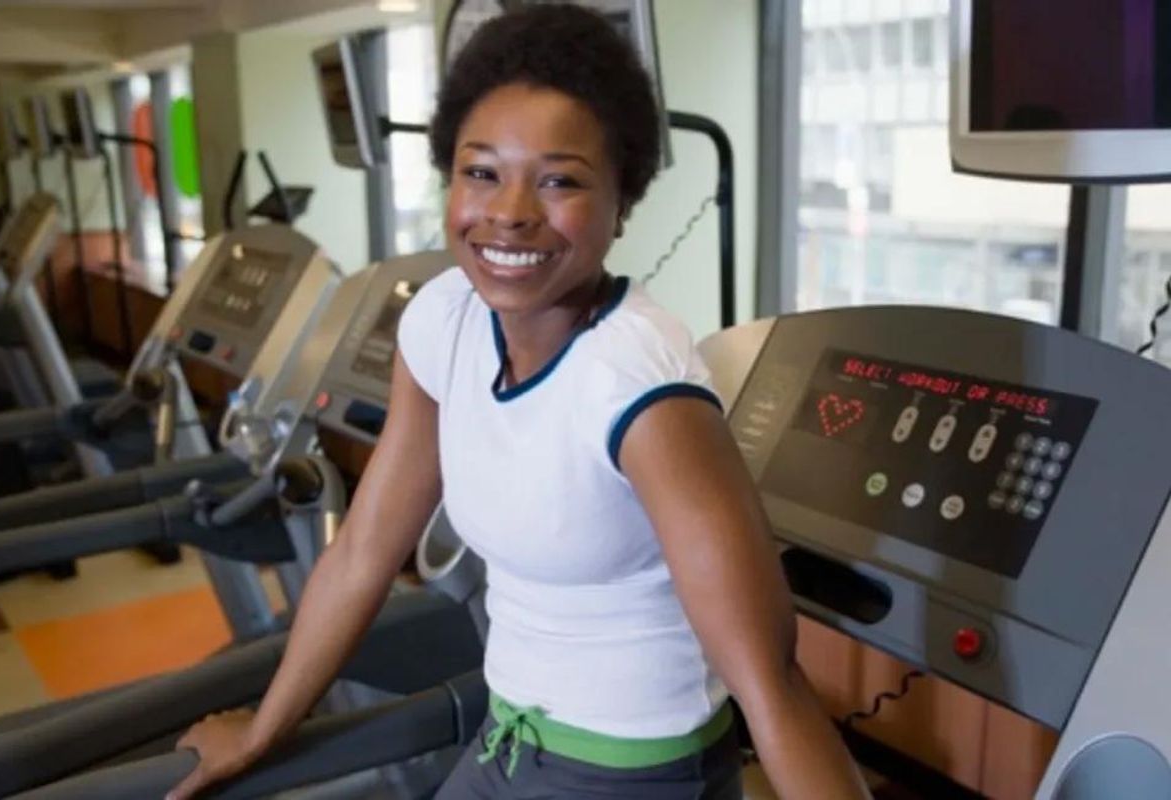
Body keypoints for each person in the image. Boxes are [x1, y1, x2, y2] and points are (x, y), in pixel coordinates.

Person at [168, 5, 869, 799]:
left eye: (560, 180)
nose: (509, 212)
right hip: (510, 735)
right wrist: (263, 731)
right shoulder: (443, 319)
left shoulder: (640, 390)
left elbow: (772, 690)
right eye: (481, 171)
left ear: (623, 201)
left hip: (631, 773)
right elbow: (364, 547)